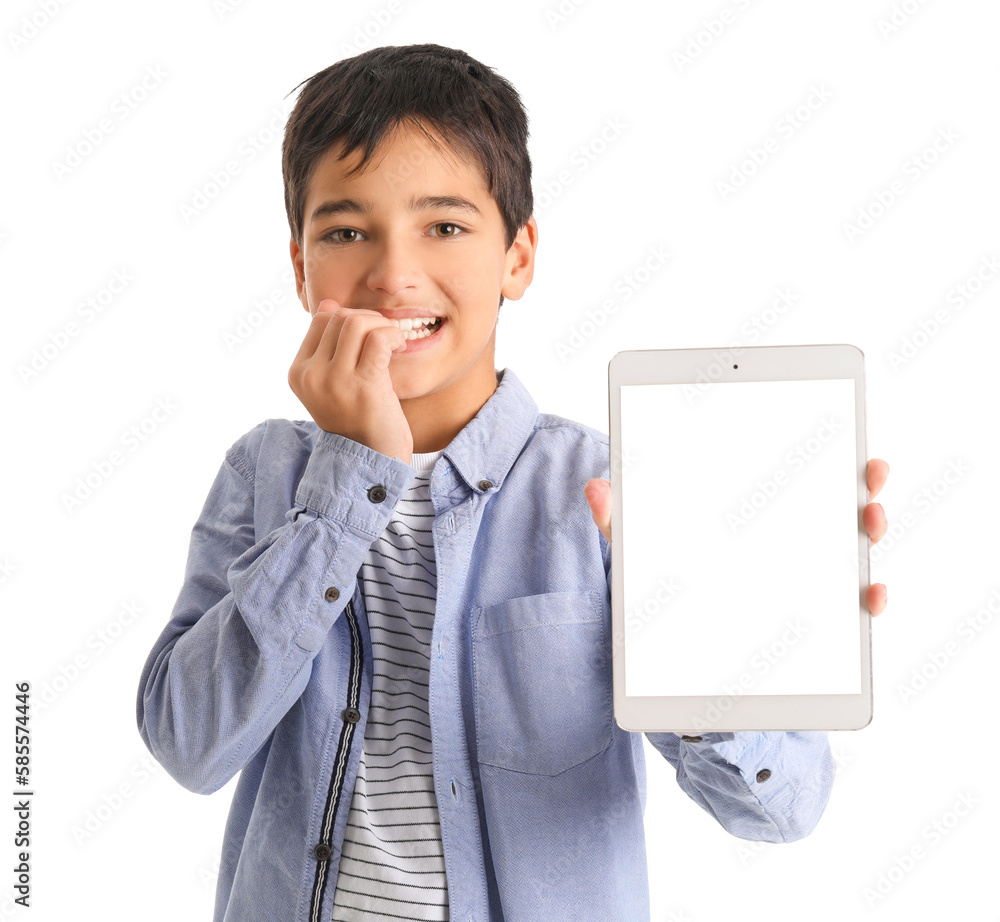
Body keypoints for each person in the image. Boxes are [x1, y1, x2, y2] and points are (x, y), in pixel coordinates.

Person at [136, 43, 890, 922]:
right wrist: (347, 483)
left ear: (518, 258)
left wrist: (711, 646)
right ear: (302, 269)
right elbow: (189, 746)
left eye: (445, 226)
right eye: (346, 231)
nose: (393, 274)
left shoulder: (611, 492)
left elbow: (783, 809)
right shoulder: (264, 474)